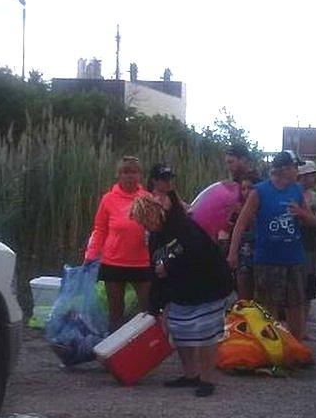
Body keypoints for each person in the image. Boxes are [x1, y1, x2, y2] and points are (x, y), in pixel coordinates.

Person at [130, 195, 234, 397]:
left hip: (207, 285)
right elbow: (156, 271)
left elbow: (197, 254)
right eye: (142, 222)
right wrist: (154, 307)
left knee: (204, 333)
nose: (145, 225)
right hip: (180, 290)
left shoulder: (183, 228)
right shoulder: (154, 237)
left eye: (146, 220)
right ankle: (190, 374)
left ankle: (207, 379)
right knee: (179, 331)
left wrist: (168, 266)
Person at [228, 150, 316, 341]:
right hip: (268, 259)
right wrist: (233, 253)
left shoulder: (296, 191)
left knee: (296, 304)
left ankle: (296, 346)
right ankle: (272, 349)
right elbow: (241, 223)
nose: (298, 171)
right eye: (296, 167)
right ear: (285, 169)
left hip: (294, 258)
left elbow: (313, 221)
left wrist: (302, 214)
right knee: (269, 306)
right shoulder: (260, 191)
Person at [85, 156, 152, 332]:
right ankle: (115, 351)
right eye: (125, 172)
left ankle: (145, 348)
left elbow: (156, 228)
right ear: (118, 175)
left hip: (142, 262)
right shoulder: (108, 199)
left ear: (140, 175)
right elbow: (99, 229)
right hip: (113, 262)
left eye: (134, 172)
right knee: (115, 311)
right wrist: (91, 255)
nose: (130, 176)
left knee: (149, 310)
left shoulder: (147, 198)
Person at [190, 143, 250, 248]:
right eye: (227, 163)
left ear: (243, 160)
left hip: (248, 240)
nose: (229, 167)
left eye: (231, 162)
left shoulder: (254, 183)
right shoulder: (231, 186)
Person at [298, 161, 316, 318]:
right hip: (297, 242)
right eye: (311, 175)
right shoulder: (293, 195)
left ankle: (304, 326)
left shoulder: (315, 197)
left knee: (309, 285)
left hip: (311, 244)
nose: (314, 178)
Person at [231, 171, 261, 300]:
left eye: (250, 188)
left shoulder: (263, 207)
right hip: (243, 256)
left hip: (261, 255)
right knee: (243, 293)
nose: (246, 192)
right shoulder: (236, 208)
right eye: (243, 189)